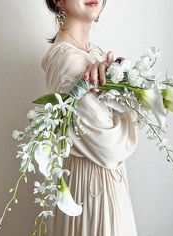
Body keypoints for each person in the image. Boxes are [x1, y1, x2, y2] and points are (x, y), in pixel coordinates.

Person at [41, 0, 138, 235]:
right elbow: (110, 148)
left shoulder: (95, 54)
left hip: (105, 184)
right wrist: (129, 105)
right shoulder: (68, 60)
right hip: (94, 190)